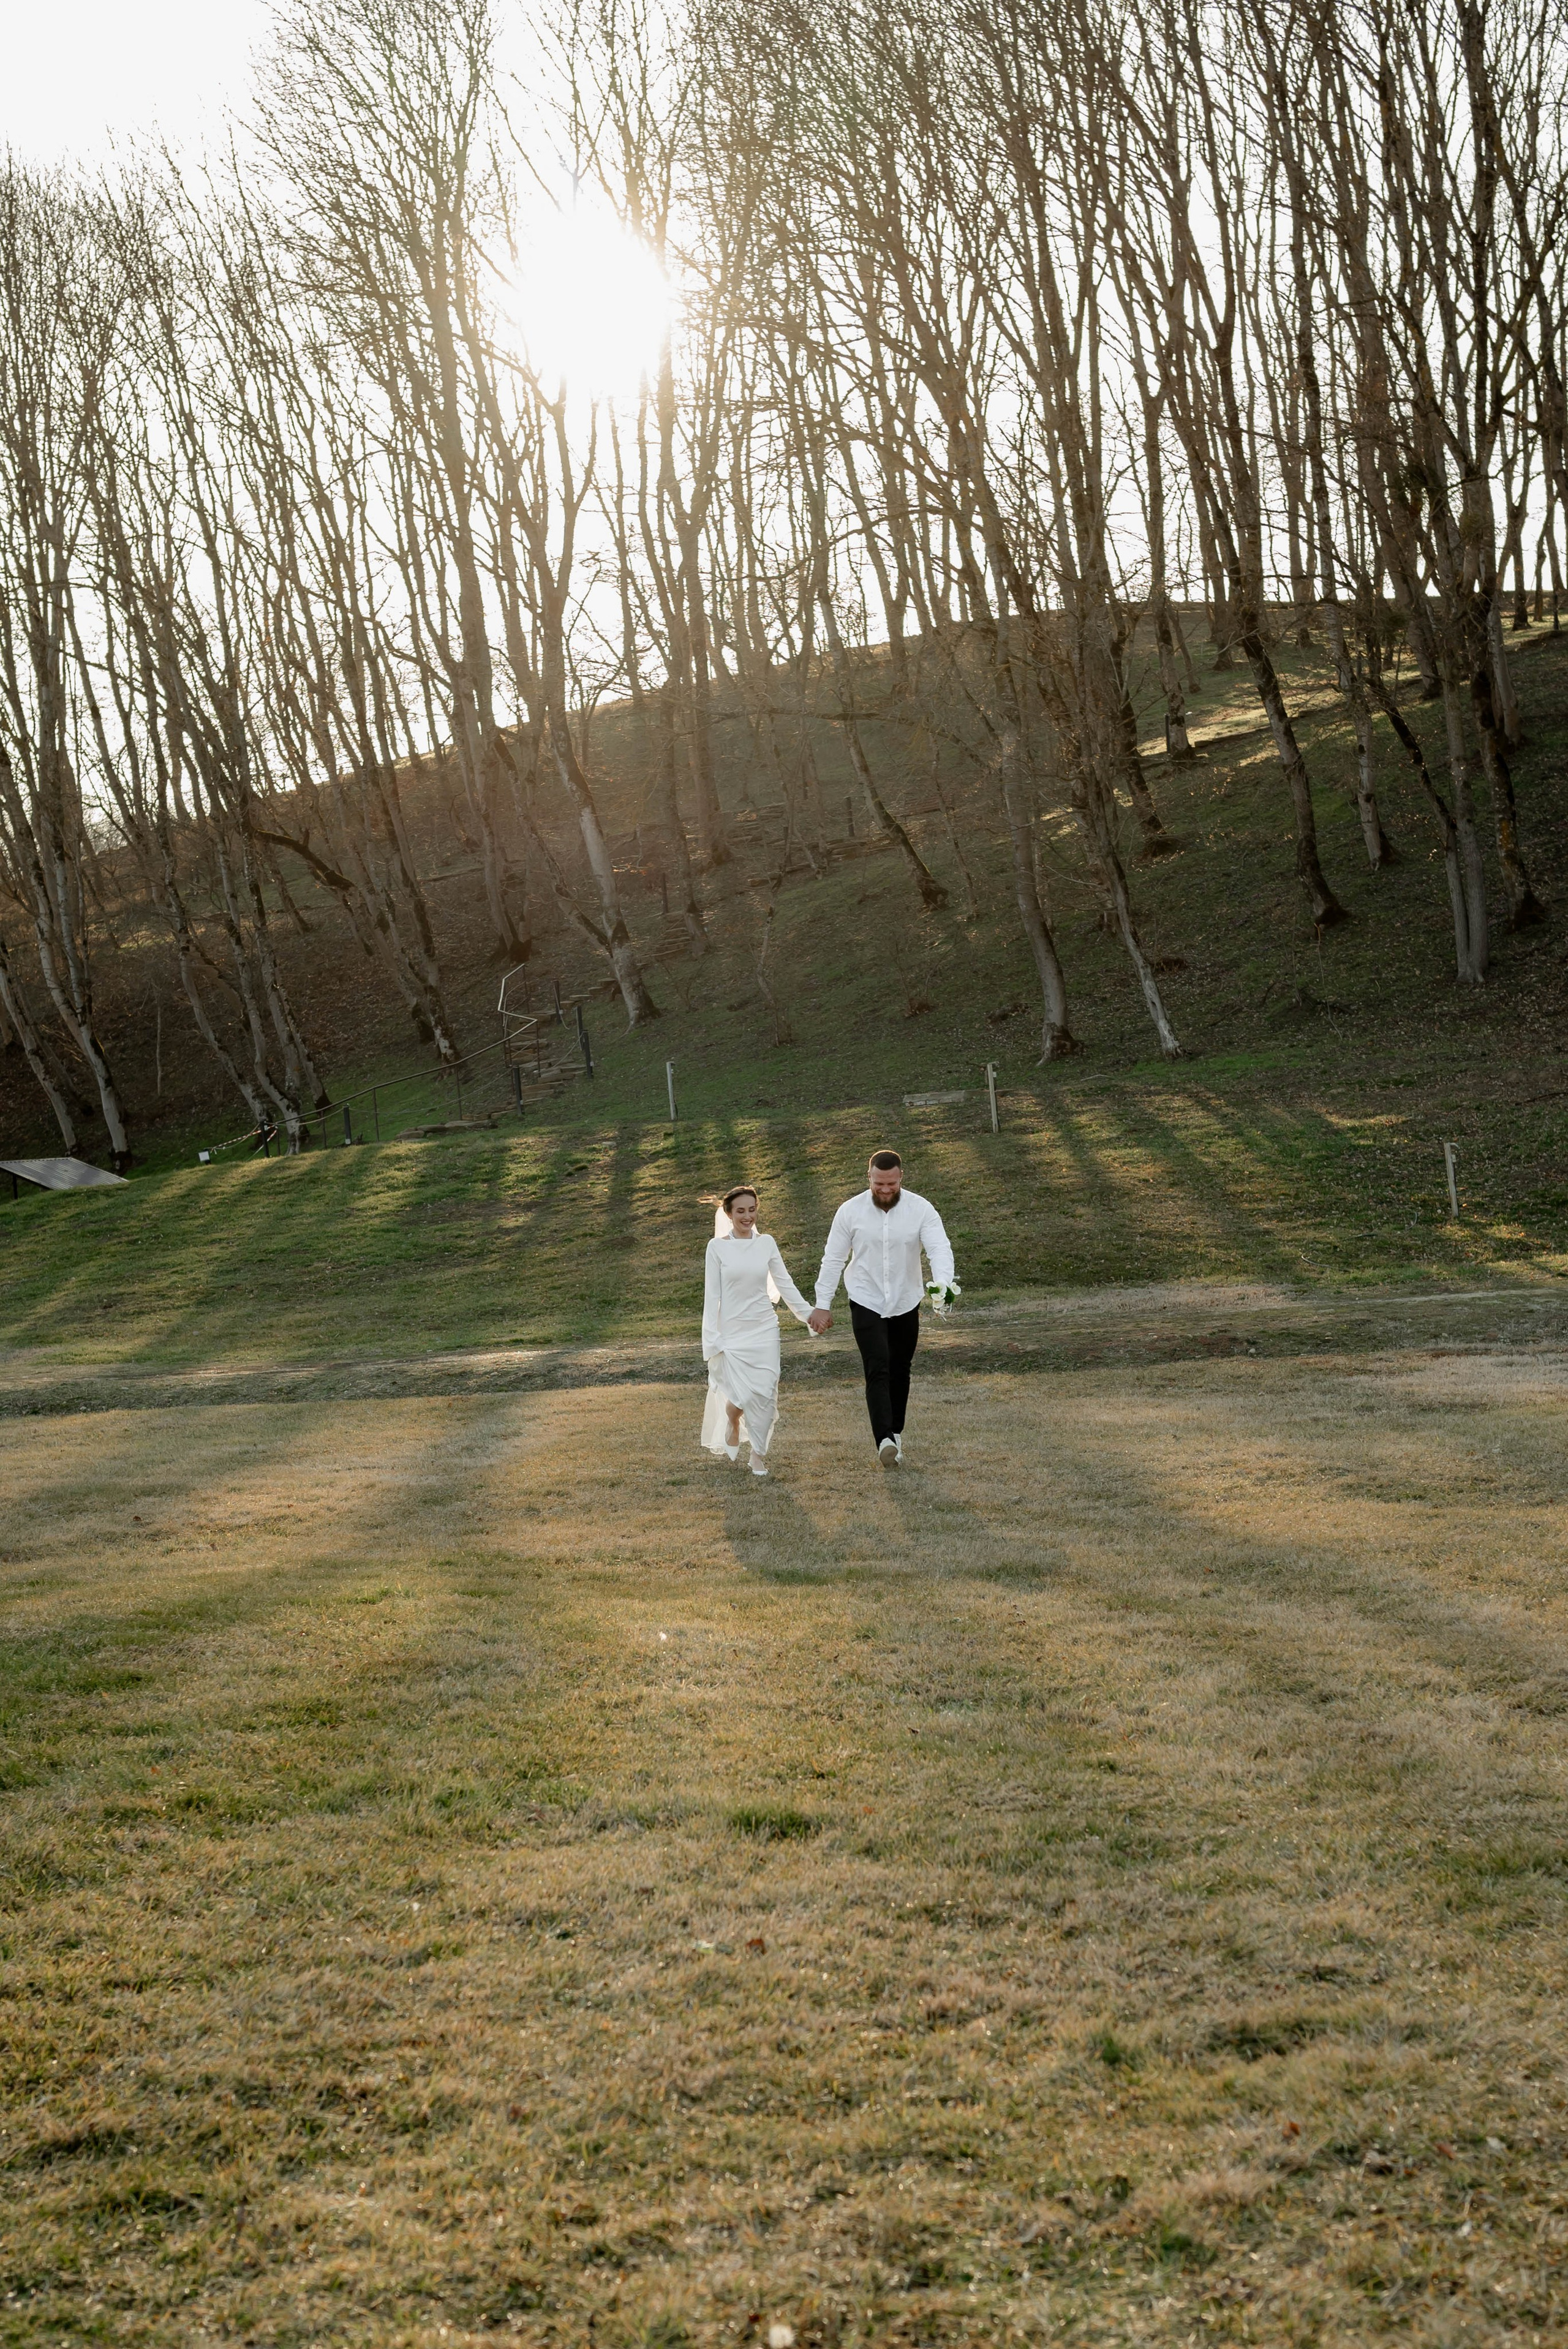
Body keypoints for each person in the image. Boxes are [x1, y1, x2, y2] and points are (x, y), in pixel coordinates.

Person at [809, 1149, 957, 1466]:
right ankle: (884, 1440)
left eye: (891, 1183)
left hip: (906, 1300)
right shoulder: (850, 1211)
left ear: (901, 1177)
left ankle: (896, 1434)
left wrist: (942, 1284)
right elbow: (833, 1259)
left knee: (900, 1368)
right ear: (870, 1178)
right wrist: (822, 1304)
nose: (886, 1190)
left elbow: (939, 1248)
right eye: (879, 1184)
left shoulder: (921, 1209)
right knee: (878, 1366)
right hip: (866, 1299)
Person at [700, 1184, 817, 1479]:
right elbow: (712, 1296)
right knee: (740, 1395)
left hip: (765, 1328)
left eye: (752, 1210)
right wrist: (711, 1337)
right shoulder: (717, 1248)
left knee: (765, 1391)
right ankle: (732, 1420)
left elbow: (785, 1284)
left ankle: (758, 1455)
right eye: (740, 1211)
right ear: (729, 1214)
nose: (747, 1216)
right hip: (732, 1332)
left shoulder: (766, 1243)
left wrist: (809, 1315)